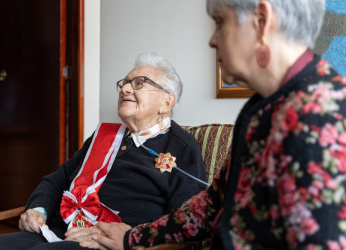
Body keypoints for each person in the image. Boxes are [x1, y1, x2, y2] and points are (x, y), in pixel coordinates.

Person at [79, 0, 346, 249]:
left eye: (220, 23)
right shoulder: (262, 107)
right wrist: (131, 238)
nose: (212, 40)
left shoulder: (317, 116)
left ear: (261, 21)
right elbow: (212, 204)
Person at [0, 53, 207, 250]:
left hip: (112, 243)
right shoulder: (104, 137)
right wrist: (38, 208)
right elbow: (57, 180)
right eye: (124, 83)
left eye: (139, 83)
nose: (125, 88)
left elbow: (185, 221)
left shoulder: (183, 148)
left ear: (166, 102)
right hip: (60, 229)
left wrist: (132, 237)